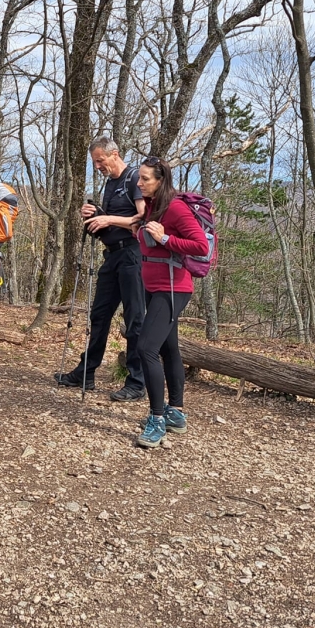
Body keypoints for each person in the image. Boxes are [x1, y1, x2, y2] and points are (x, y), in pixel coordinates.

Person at [54, 137, 147, 400]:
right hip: (112, 255)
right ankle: (86, 372)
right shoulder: (110, 183)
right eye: (94, 161)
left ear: (114, 154)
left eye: (100, 160)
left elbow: (142, 219)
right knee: (99, 314)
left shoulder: (134, 178)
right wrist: (94, 216)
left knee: (134, 319)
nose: (97, 166)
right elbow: (111, 222)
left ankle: (136, 381)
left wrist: (108, 218)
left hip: (133, 254)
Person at [134, 156, 208, 448]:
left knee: (146, 348)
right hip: (153, 286)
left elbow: (200, 245)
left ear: (161, 180)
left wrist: (165, 240)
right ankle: (175, 412)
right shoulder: (152, 206)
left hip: (173, 288)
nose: (139, 183)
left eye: (145, 179)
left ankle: (157, 419)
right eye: (139, 178)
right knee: (168, 346)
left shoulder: (175, 208)